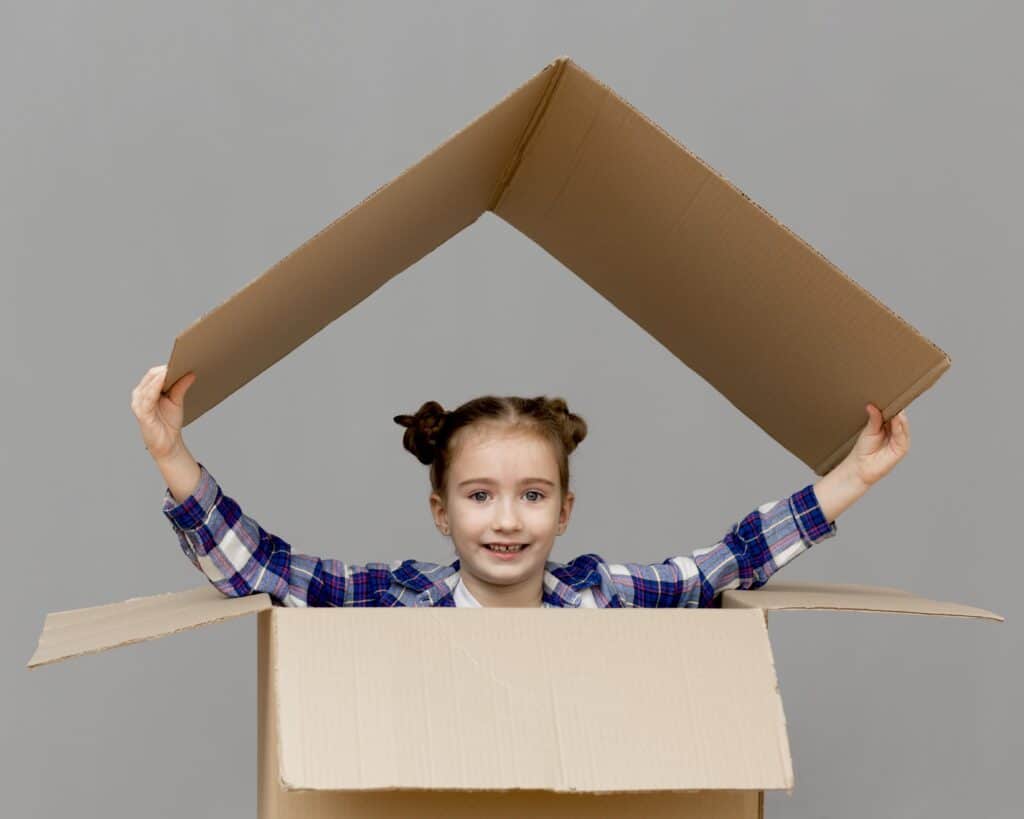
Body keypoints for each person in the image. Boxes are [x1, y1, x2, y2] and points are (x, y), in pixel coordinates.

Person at [130, 364, 910, 609]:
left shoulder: (600, 595)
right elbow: (261, 572)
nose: (507, 519)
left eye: (533, 495)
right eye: (479, 496)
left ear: (566, 511)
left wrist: (853, 476)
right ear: (440, 511)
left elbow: (725, 566)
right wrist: (173, 454)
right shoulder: (398, 601)